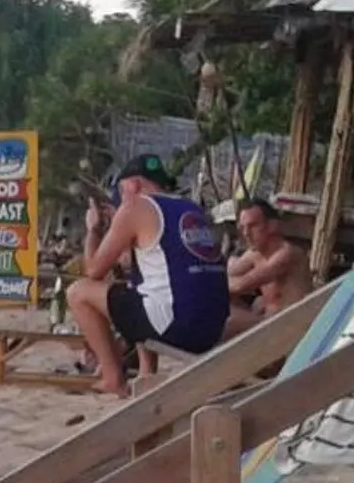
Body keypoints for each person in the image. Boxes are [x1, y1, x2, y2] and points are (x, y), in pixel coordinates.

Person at [64, 156, 228, 396]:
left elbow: (93, 271)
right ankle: (146, 372)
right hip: (213, 330)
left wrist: (94, 230)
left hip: (176, 327)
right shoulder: (192, 209)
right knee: (143, 287)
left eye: (121, 190)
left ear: (132, 186)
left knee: (78, 292)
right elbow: (140, 266)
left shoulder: (136, 206)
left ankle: (112, 377)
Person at [225, 196, 314, 333]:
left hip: (290, 326)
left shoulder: (287, 254)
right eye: (243, 228)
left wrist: (215, 282)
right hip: (269, 320)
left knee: (228, 318)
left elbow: (239, 285)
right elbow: (228, 272)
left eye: (253, 226)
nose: (246, 233)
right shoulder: (255, 253)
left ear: (272, 226)